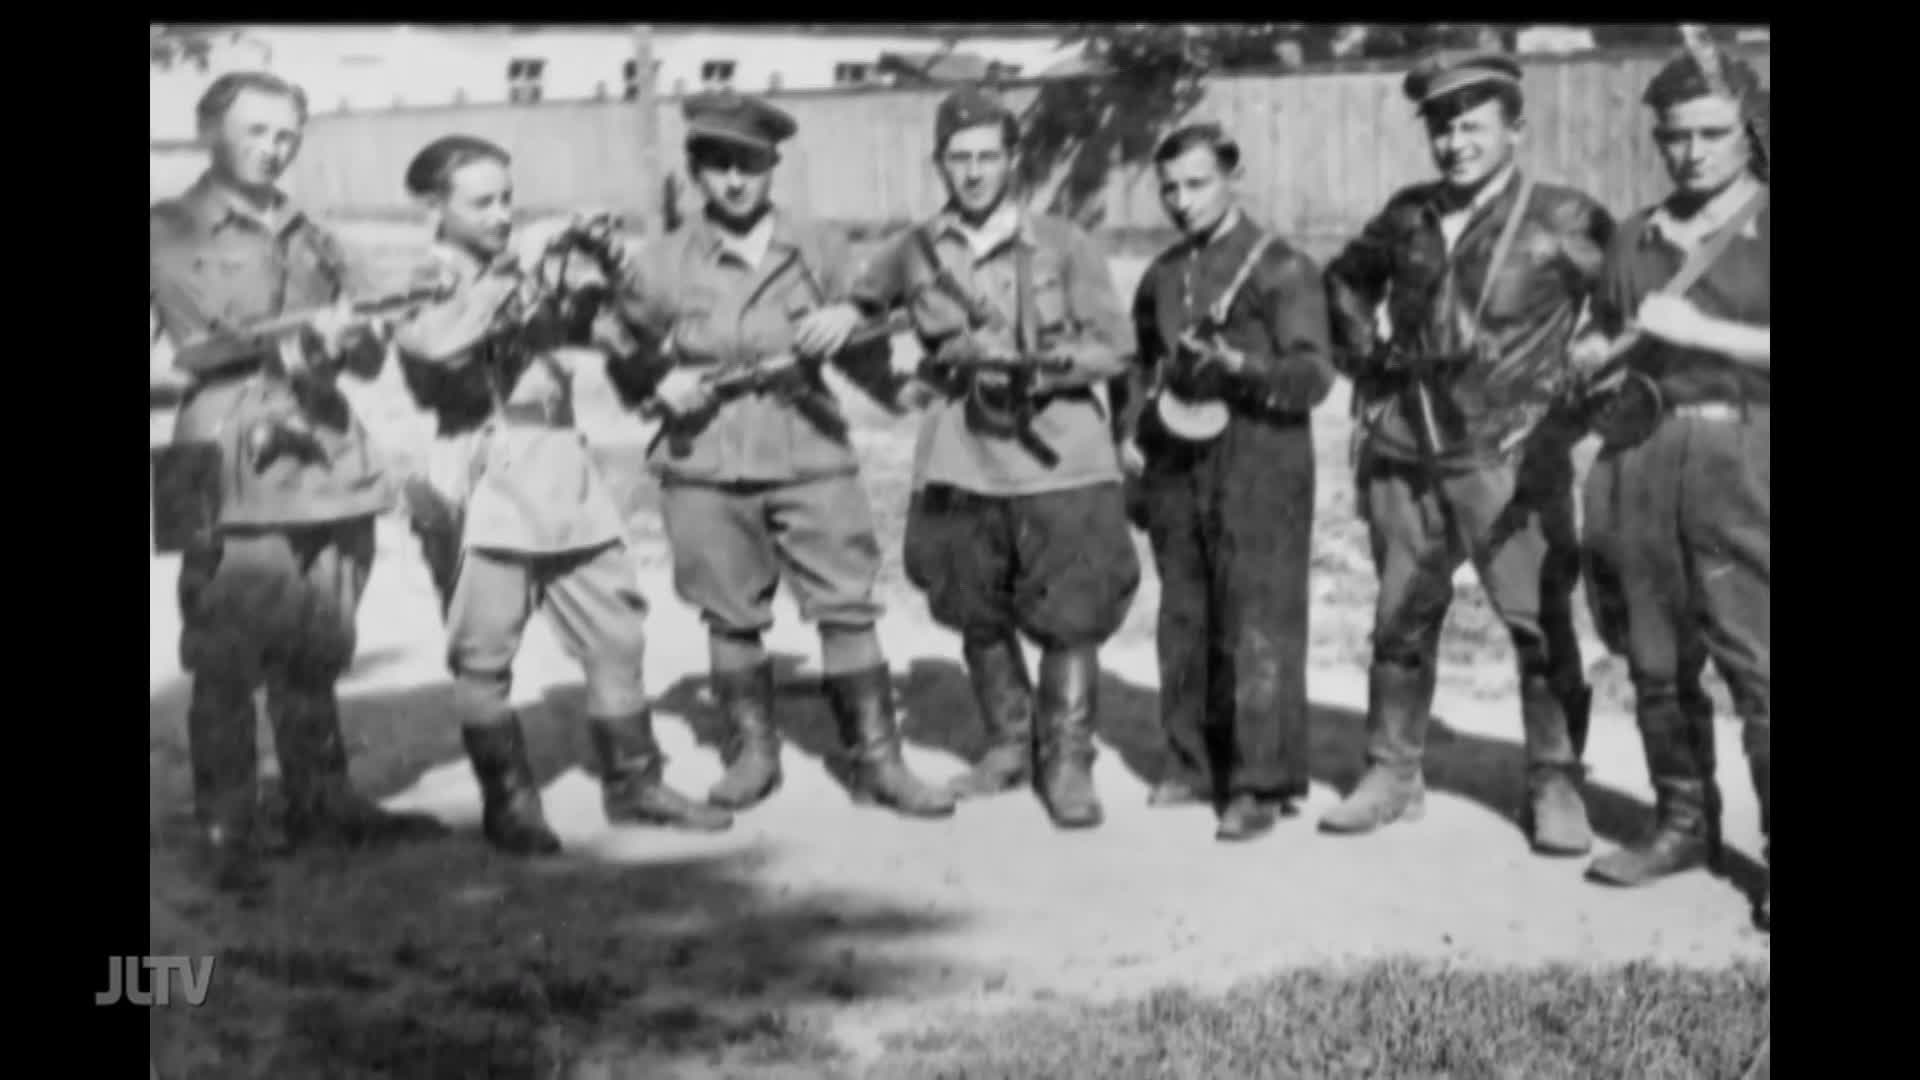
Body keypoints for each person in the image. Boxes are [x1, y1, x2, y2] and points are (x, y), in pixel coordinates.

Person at [601, 91, 954, 820]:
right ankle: (752, 754)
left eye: (751, 165)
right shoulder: (665, 261)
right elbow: (617, 342)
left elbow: (867, 345)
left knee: (848, 605)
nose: (735, 181)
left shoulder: (820, 248)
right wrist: (652, 379)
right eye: (719, 165)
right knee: (730, 615)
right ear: (696, 172)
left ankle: (877, 761)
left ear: (773, 167)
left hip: (808, 449)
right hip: (705, 460)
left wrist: (859, 331)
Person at [391, 135, 733, 856]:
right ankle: (508, 802)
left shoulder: (530, 272)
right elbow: (433, 347)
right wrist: (519, 269)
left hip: (561, 467)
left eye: (508, 197)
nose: (502, 213)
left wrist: (611, 261)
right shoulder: (427, 277)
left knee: (617, 633)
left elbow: (626, 330)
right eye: (482, 201)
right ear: (435, 208)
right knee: (483, 652)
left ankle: (635, 784)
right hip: (481, 467)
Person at [149, 71, 445, 890]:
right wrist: (258, 348)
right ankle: (227, 827)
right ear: (211, 131)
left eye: (287, 135)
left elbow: (373, 353)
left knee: (321, 636)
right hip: (221, 447)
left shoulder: (315, 235)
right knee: (225, 650)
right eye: (257, 132)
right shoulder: (165, 228)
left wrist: (348, 341)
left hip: (323, 450)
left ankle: (322, 804)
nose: (274, 149)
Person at [1320, 50, 1614, 856]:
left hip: (1511, 457)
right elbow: (1343, 283)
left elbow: (1626, 309)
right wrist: (1367, 352)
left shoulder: (1566, 216)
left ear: (1515, 129)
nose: (1455, 142)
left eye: (1473, 125)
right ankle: (1390, 774)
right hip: (1406, 447)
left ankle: (1556, 785)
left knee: (1541, 624)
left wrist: (1580, 380)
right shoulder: (1407, 214)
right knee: (1398, 617)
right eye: (1442, 127)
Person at [823, 86, 1140, 830]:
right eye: (958, 159)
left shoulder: (1064, 242)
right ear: (939, 164)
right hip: (963, 456)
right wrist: (893, 387)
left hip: (1061, 453)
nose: (972, 172)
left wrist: (1042, 366)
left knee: (1072, 611)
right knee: (973, 604)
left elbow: (1117, 346)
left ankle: (1065, 762)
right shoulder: (913, 249)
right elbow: (851, 321)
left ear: (1012, 160)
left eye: (987, 157)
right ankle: (1008, 743)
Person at [1575, 46, 1769, 931]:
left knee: (1761, 668)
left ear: (1751, 128)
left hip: (1748, 458)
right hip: (1642, 456)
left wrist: (1706, 332)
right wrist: (1588, 359)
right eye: (1674, 136)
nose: (1692, 152)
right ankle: (1683, 823)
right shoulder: (1636, 234)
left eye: (1713, 133)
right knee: (1655, 661)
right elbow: (1603, 333)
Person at [1123, 121, 1336, 841]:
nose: (1182, 201)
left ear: (1232, 176)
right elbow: (1137, 362)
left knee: (1257, 619)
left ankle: (1261, 782)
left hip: (1262, 459)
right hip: (1178, 461)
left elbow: (1313, 377)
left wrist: (1244, 369)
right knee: (1184, 614)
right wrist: (1129, 432)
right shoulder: (1161, 274)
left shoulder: (1283, 268)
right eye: (1170, 189)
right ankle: (1190, 763)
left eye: (1197, 183)